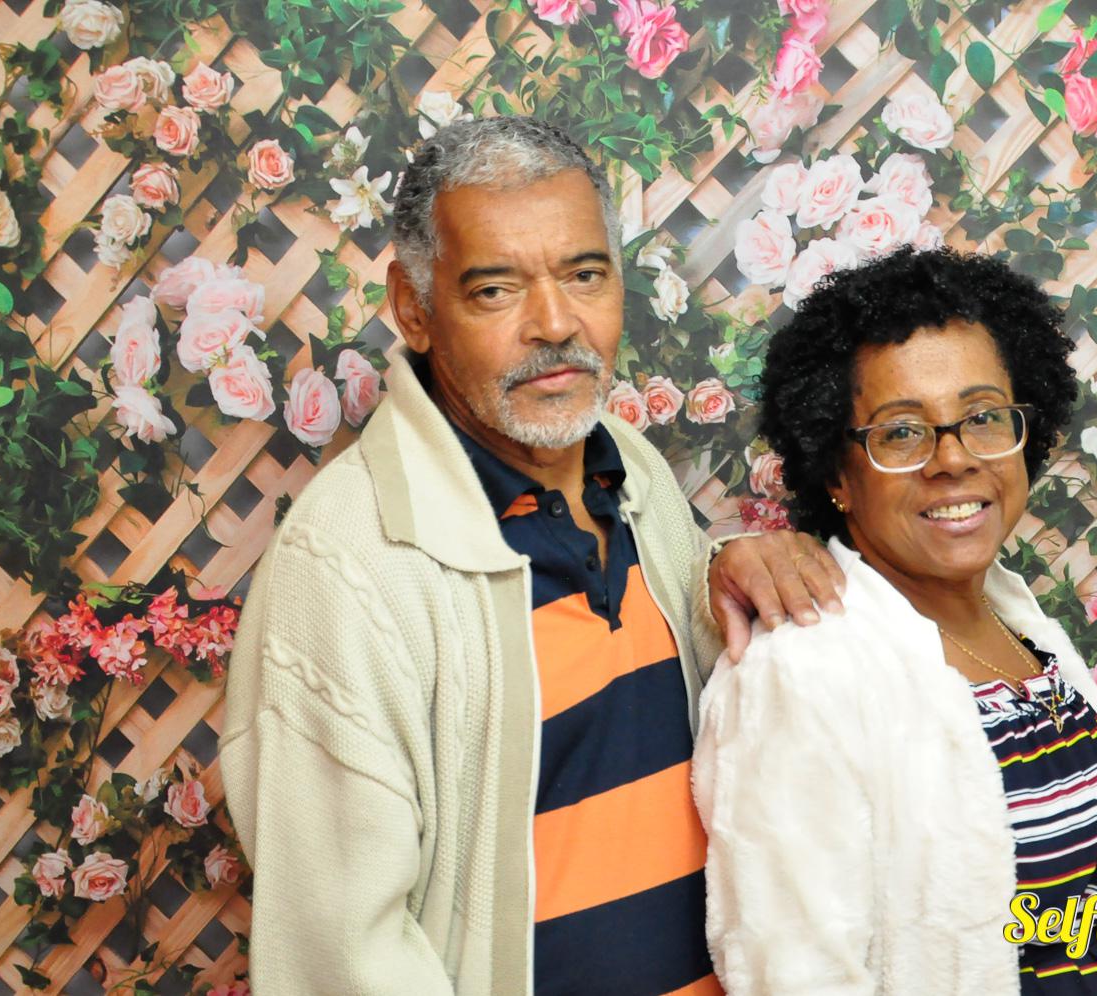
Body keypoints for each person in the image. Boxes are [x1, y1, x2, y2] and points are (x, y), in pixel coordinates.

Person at [219, 116, 843, 995]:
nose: (555, 323)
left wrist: (724, 564)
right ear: (413, 307)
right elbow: (343, 954)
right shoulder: (347, 567)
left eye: (585, 275)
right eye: (495, 290)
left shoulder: (630, 467)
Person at [692, 248, 1097, 995]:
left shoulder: (1022, 629)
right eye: (901, 432)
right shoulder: (800, 674)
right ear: (837, 473)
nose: (952, 459)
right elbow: (793, 974)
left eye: (982, 417)